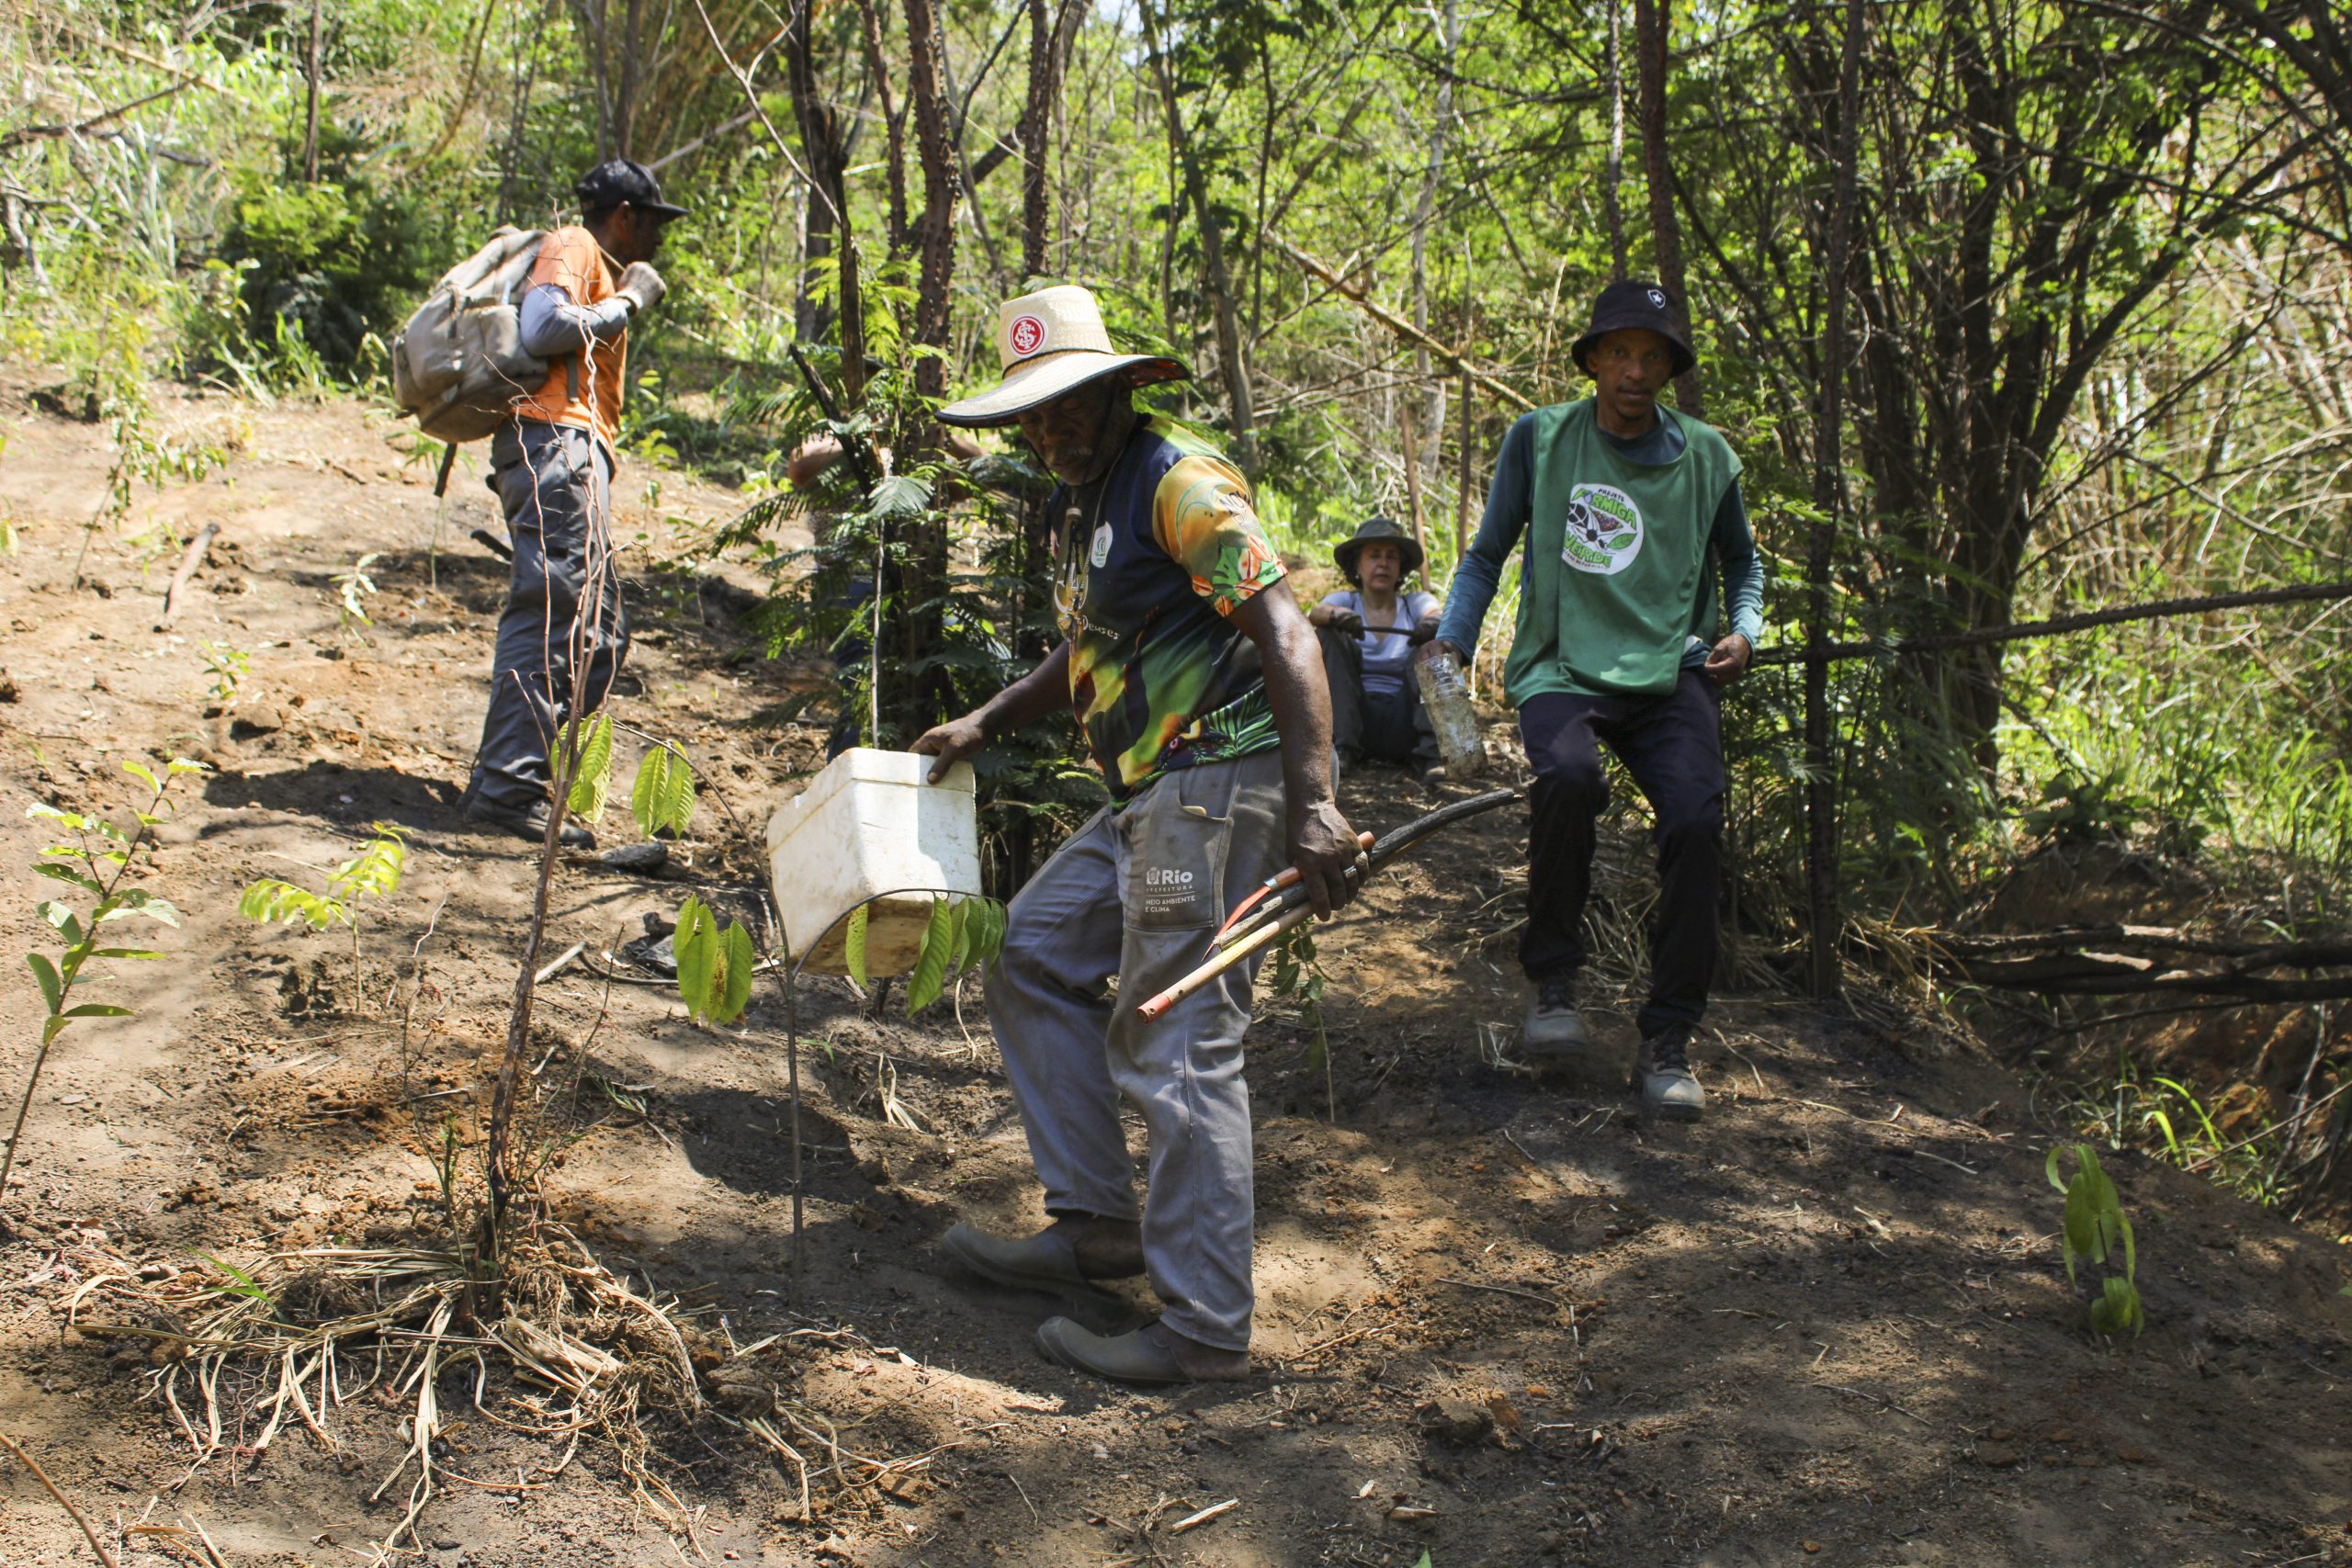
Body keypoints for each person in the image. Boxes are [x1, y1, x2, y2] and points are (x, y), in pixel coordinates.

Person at [911, 284, 1365, 1384]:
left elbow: (1284, 626)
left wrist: (1315, 801)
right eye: (1033, 414)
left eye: (1069, 404)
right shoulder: (1086, 506)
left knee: (1179, 1031)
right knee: (1028, 950)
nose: (1050, 430)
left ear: (1118, 387)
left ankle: (1205, 1326)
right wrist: (987, 718)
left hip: (1213, 785)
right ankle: (1096, 1226)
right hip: (1145, 794)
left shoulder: (1179, 482)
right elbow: (1092, 653)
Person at [1430, 280, 1763, 1121]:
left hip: (1672, 669)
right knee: (1569, 778)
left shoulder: (1709, 458)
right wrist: (1453, 641)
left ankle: (1668, 1040)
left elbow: (1743, 567)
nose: (1636, 371)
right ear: (1591, 360)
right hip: (1561, 663)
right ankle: (1553, 985)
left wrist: (1747, 631)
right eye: (1620, 352)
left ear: (1669, 370)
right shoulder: (1542, 440)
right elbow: (1485, 554)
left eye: (1653, 356)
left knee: (1694, 818)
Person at [457, 158, 684, 848]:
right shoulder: (576, 246)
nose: (657, 239)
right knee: (554, 611)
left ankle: (509, 769)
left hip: (570, 451)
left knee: (601, 631)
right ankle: (506, 787)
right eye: (652, 222)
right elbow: (543, 330)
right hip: (553, 441)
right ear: (623, 214)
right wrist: (632, 300)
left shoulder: (595, 263)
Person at [1306, 515, 1443, 781]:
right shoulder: (1346, 600)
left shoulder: (1413, 603)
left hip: (1405, 724)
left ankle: (1432, 755)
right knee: (1328, 635)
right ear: (1358, 564)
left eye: (1391, 557)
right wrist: (1338, 617)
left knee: (1435, 643)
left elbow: (1435, 614)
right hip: (1357, 721)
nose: (1383, 563)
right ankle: (1341, 750)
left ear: (1401, 566)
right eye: (1374, 556)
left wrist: (1428, 625)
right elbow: (1317, 612)